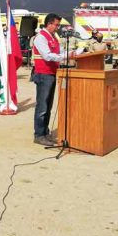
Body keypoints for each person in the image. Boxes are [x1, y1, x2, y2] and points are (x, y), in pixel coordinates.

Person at [32, 13, 74, 146]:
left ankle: (45, 132)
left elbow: (60, 52)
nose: (57, 27)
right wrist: (65, 56)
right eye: (56, 25)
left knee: (48, 106)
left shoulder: (53, 37)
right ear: (49, 24)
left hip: (51, 73)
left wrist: (71, 54)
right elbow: (47, 56)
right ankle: (39, 135)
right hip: (43, 74)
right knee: (42, 106)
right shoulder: (40, 37)